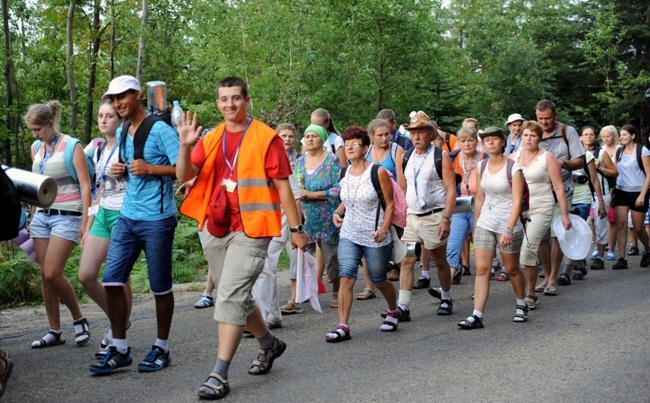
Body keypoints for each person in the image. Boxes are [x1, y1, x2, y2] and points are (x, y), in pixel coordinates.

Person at [176, 76, 308, 400]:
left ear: (247, 101)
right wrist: (184, 145)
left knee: (230, 296)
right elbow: (183, 176)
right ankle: (270, 345)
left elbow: (283, 190)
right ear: (218, 102)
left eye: (236, 98)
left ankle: (218, 374)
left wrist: (296, 229)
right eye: (223, 99)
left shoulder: (267, 138)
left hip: (253, 229)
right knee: (234, 294)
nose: (230, 104)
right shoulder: (210, 138)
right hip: (215, 227)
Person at [89, 75, 180, 375]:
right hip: (128, 217)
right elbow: (133, 170)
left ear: (138, 95)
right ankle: (120, 346)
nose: (117, 103)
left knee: (160, 287)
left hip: (157, 218)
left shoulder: (161, 129)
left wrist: (153, 168)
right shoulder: (125, 130)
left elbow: (186, 171)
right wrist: (121, 170)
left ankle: (162, 347)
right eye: (114, 99)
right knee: (112, 281)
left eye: (123, 97)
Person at [26, 100, 91, 349]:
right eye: (32, 130)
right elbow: (37, 185)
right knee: (45, 276)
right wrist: (33, 217)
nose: (35, 134)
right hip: (42, 216)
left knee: (54, 272)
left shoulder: (71, 146)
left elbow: (85, 186)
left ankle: (79, 318)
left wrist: (86, 222)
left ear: (50, 124)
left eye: (38, 129)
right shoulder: (36, 147)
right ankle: (54, 330)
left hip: (68, 214)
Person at [325, 126, 399, 342]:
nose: (348, 146)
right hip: (349, 233)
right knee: (346, 276)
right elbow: (347, 200)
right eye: (346, 143)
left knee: (378, 279)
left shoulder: (377, 172)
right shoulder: (343, 172)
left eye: (354, 143)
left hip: (374, 235)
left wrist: (384, 229)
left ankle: (393, 310)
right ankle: (342, 326)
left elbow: (390, 203)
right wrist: (337, 214)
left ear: (365, 148)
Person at [457, 127, 529, 329]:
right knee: (482, 269)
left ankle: (522, 304)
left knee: (512, 268)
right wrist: (476, 224)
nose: (490, 143)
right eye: (487, 140)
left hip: (508, 223)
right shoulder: (481, 167)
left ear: (502, 142)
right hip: (486, 222)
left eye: (494, 139)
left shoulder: (514, 168)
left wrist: (508, 228)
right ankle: (476, 314)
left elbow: (517, 202)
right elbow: (479, 197)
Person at [78, 100, 133, 358]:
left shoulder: (128, 146)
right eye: (100, 115)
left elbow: (141, 178)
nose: (103, 120)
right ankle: (118, 320)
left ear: (120, 120)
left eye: (109, 116)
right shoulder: (99, 149)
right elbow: (98, 189)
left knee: (119, 276)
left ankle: (117, 330)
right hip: (102, 215)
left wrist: (126, 171)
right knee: (86, 275)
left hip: (125, 214)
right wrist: (87, 227)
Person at [397, 111, 456, 320]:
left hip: (435, 216)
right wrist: (400, 216)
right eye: (413, 132)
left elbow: (451, 190)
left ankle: (446, 296)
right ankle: (403, 306)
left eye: (421, 132)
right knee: (407, 260)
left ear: (430, 135)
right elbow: (402, 189)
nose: (416, 136)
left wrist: (447, 218)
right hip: (412, 217)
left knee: (439, 261)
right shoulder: (406, 157)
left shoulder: (440, 156)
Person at [511, 121, 570, 308]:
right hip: (519, 210)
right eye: (526, 135)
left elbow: (559, 187)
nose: (529, 139)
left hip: (541, 208)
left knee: (528, 250)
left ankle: (529, 294)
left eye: (533, 135)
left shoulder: (547, 157)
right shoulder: (513, 157)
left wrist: (564, 214)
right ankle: (526, 288)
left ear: (540, 137)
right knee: (518, 252)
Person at [250, 123, 302, 329]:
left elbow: (295, 197)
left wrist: (297, 228)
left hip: (278, 222)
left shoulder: (280, 161)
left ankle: (266, 317)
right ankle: (271, 315)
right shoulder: (251, 161)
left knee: (264, 267)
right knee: (262, 268)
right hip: (255, 223)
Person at [535, 100, 585, 296]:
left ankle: (554, 278)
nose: (544, 122)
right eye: (540, 119)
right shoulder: (532, 132)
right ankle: (546, 275)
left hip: (561, 189)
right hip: (539, 192)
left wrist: (560, 164)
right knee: (541, 237)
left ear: (555, 115)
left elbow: (580, 160)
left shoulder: (568, 131)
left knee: (558, 235)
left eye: (547, 118)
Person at [356, 119, 406, 300]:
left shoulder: (396, 151)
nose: (385, 138)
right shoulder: (366, 152)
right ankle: (370, 286)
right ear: (371, 136)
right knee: (366, 241)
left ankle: (398, 274)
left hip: (391, 202)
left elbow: (402, 181)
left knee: (393, 240)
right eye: (380, 135)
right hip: (369, 205)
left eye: (387, 134)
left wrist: (400, 206)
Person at [295, 124, 342, 308]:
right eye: (307, 136)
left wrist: (314, 194)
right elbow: (296, 186)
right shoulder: (300, 161)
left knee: (331, 257)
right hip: (306, 216)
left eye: (314, 136)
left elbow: (339, 187)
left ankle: (337, 290)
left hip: (328, 216)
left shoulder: (332, 160)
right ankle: (305, 291)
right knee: (303, 255)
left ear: (322, 139)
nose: (310, 139)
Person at [561, 126, 607, 281]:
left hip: (583, 199)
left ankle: (567, 271)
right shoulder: (556, 156)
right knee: (567, 232)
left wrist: (600, 202)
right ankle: (579, 265)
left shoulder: (586, 155)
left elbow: (594, 180)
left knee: (573, 231)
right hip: (565, 198)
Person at [445, 126, 487, 287]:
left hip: (481, 207)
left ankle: (479, 287)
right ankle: (445, 289)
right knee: (453, 246)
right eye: (463, 141)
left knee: (480, 248)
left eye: (470, 140)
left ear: (476, 142)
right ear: (459, 143)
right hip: (459, 206)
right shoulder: (452, 158)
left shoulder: (486, 158)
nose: (467, 144)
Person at [612, 124, 650, 269]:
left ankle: (648, 250)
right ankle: (622, 258)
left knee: (638, 228)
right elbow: (616, 172)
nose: (621, 137)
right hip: (622, 191)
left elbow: (649, 174)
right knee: (621, 224)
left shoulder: (642, 150)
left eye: (624, 135)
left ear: (633, 136)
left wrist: (642, 194)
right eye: (620, 135)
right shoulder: (618, 152)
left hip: (638, 191)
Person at [587, 125, 618, 269]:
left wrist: (600, 168)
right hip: (583, 194)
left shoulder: (601, 153)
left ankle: (600, 256)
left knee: (600, 224)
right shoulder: (576, 153)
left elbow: (614, 172)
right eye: (586, 134)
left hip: (602, 192)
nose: (589, 137)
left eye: (592, 134)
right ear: (580, 137)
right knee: (589, 222)